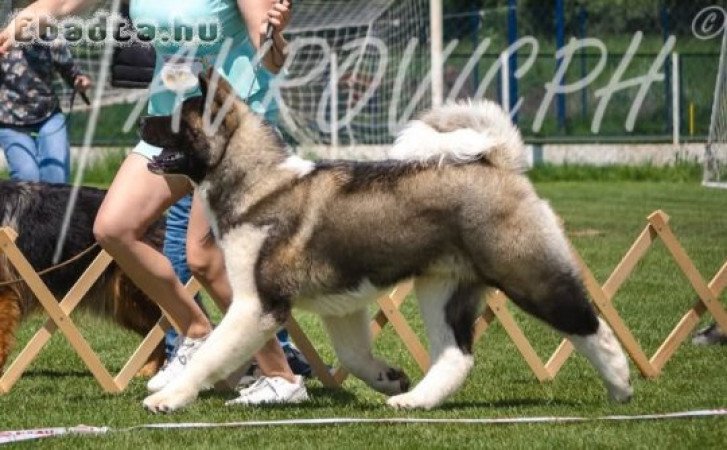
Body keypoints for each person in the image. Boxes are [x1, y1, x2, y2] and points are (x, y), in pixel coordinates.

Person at [1, 0, 309, 405]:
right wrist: (19, 24)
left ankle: (280, 377)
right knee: (113, 227)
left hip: (229, 128)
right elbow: (61, 3)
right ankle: (196, 332)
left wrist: (277, 35)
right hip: (171, 123)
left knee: (202, 257)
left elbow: (270, 56)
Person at [0, 38, 91, 183]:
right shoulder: (3, 40)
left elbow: (71, 72)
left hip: (49, 115)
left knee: (56, 176)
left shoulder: (52, 41)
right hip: (10, 121)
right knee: (27, 178)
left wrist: (80, 81)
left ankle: (57, 206)